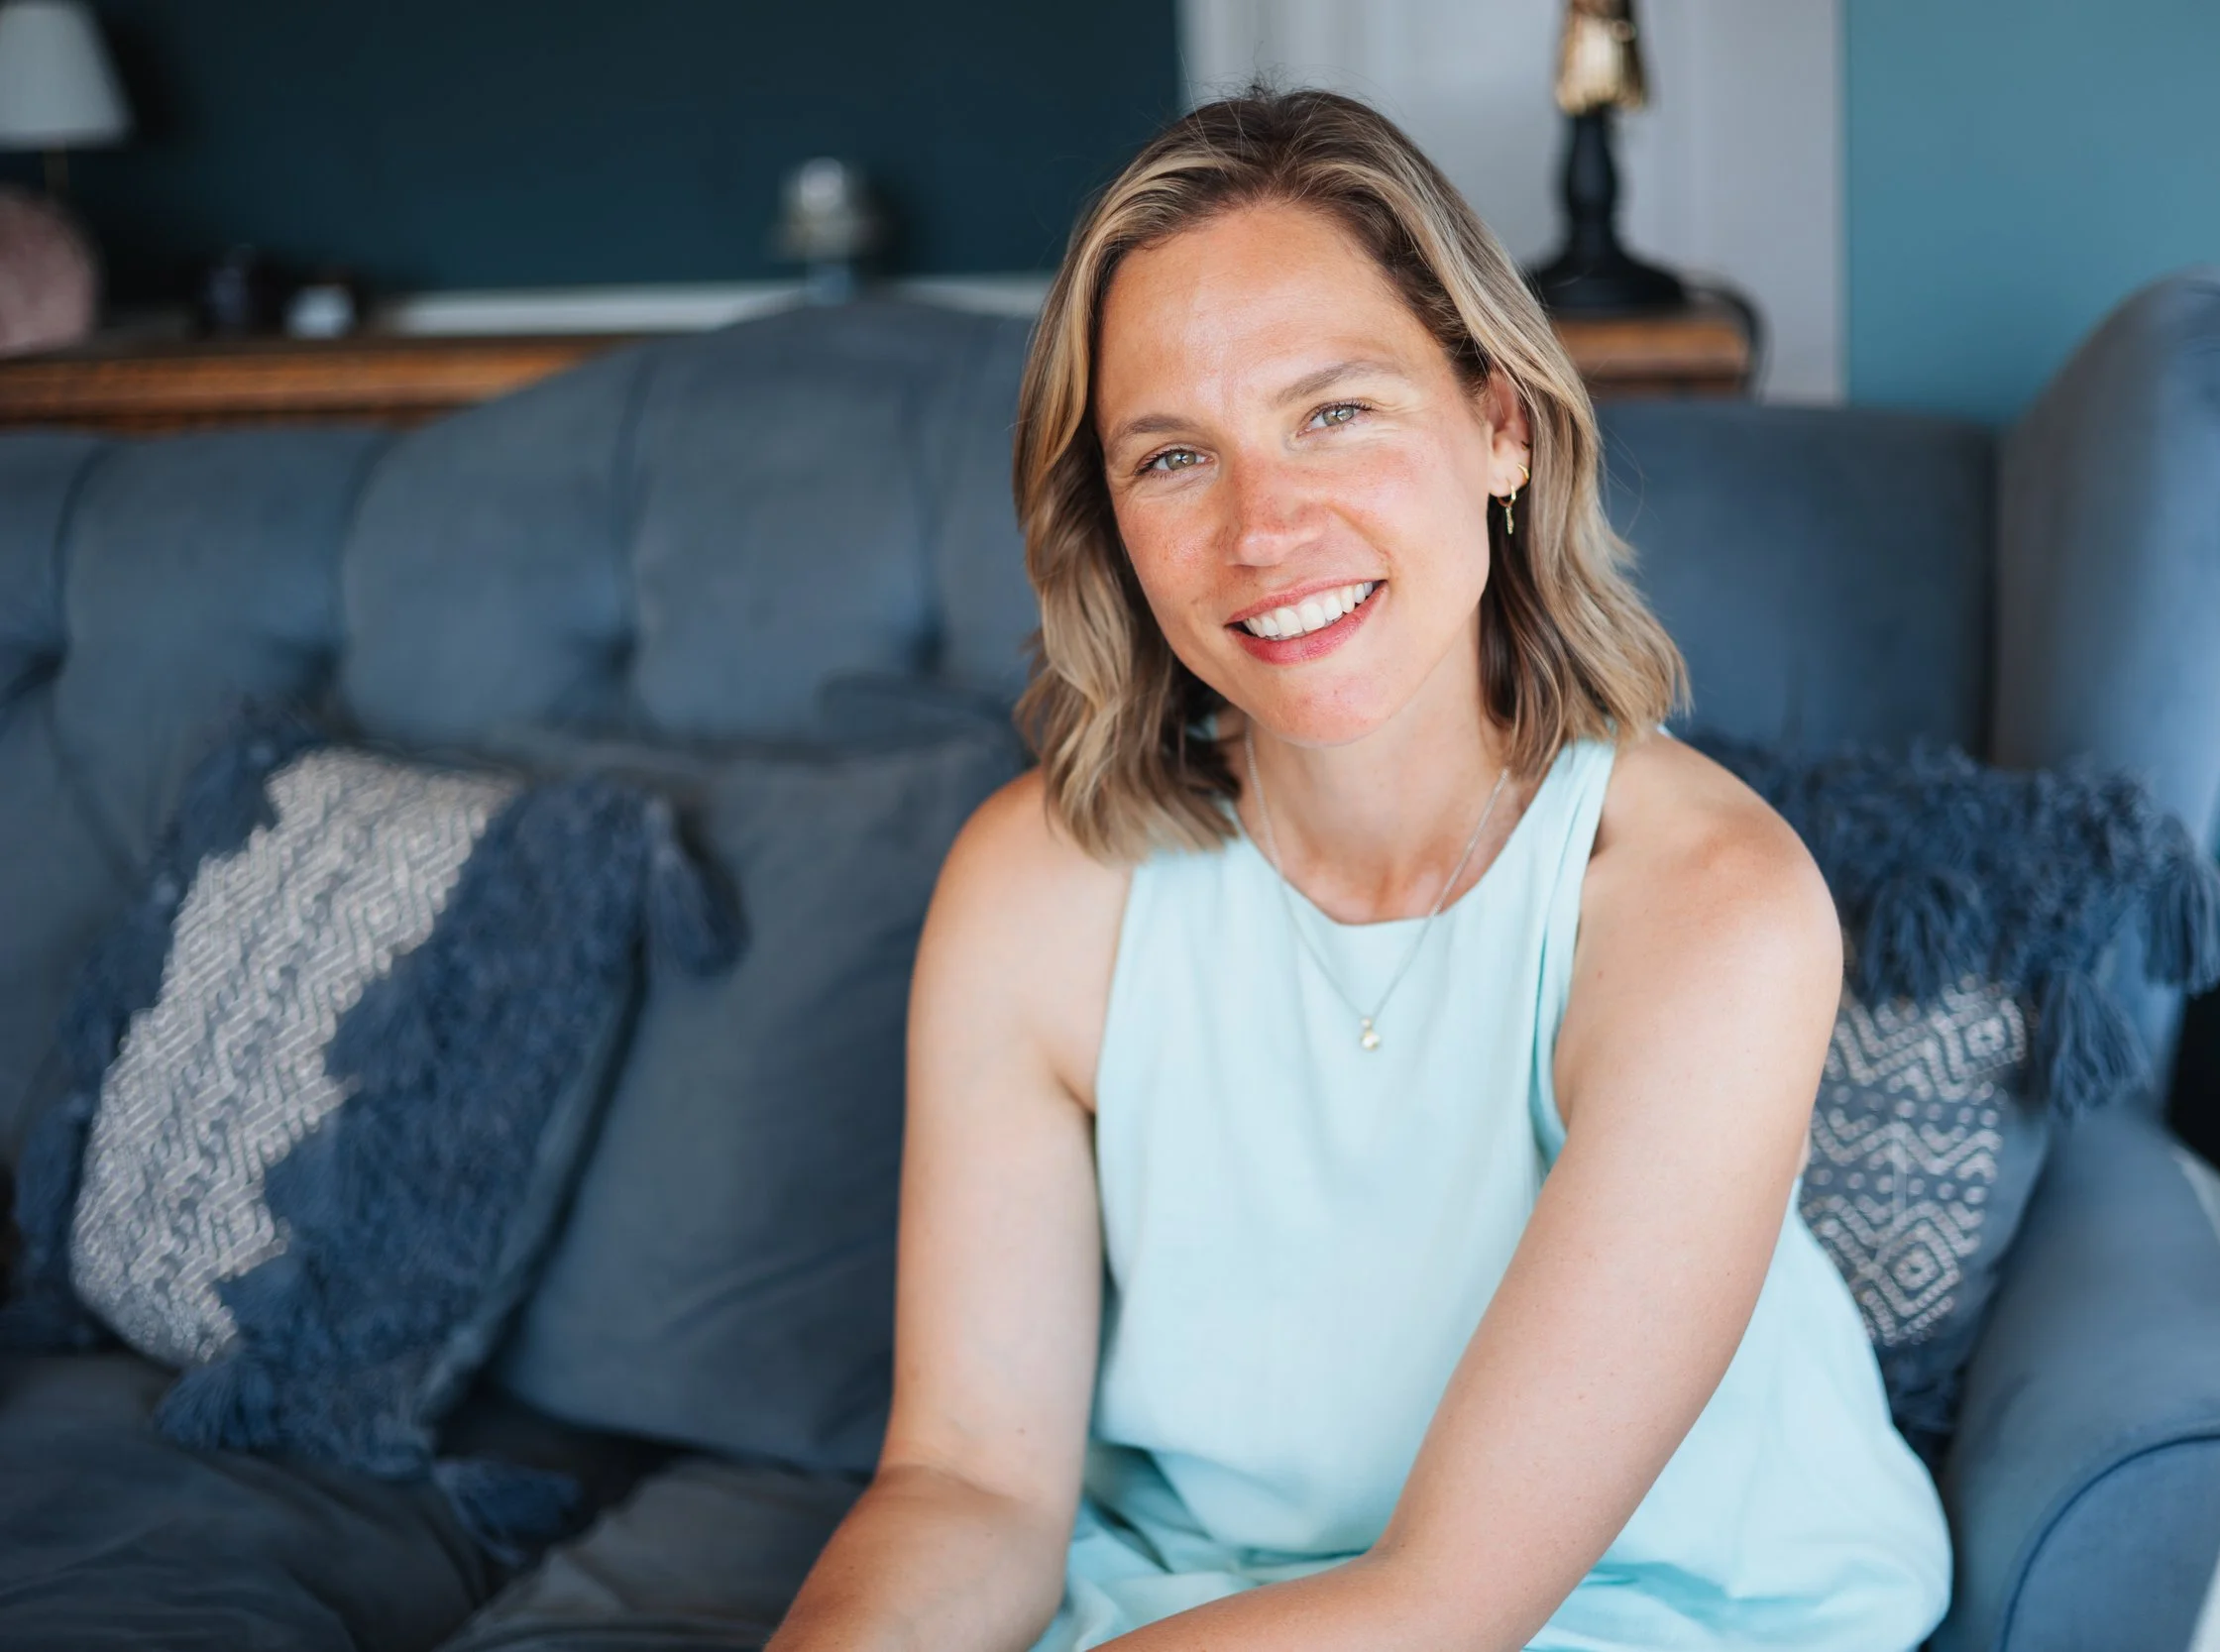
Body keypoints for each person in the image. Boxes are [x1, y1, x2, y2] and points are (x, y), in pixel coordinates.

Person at [767, 87, 1951, 1652]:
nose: (1266, 528)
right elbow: (973, 1482)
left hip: (1631, 1613)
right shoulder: (1037, 889)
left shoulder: (1705, 908)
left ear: (1500, 425)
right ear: (1110, 525)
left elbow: (1444, 1601)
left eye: (1336, 411)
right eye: (1174, 456)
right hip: (1192, 1609)